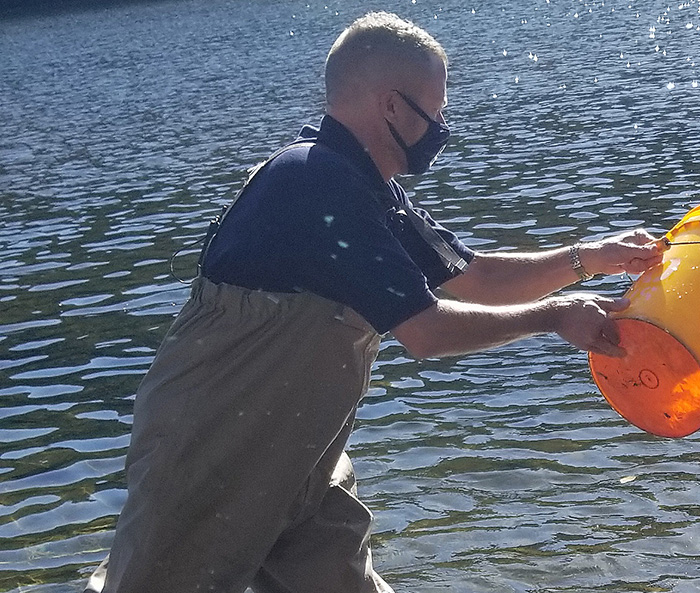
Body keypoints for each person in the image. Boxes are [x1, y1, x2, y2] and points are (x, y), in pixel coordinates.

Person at [84, 11, 663, 593]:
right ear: (391, 105)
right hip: (210, 448)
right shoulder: (312, 183)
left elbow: (476, 279)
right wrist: (554, 316)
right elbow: (426, 331)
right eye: (436, 109)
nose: (443, 125)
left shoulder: (370, 188)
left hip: (304, 448)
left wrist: (592, 257)